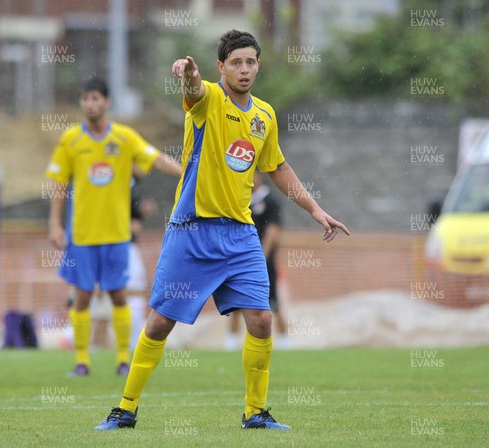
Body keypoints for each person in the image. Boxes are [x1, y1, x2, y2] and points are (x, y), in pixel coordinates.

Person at [95, 30, 349, 431]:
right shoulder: (209, 98)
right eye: (236, 63)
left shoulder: (264, 115)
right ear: (221, 67)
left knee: (262, 319)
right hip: (191, 231)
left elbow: (277, 169)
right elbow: (194, 92)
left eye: (250, 62)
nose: (244, 69)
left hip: (240, 235)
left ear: (258, 65)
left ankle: (255, 413)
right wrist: (188, 75)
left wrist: (316, 210)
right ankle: (125, 409)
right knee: (160, 323)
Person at [46, 78, 181, 377]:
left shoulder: (123, 137)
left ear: (106, 102)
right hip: (81, 234)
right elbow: (58, 185)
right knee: (81, 297)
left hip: (117, 234)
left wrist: (186, 173)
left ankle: (123, 359)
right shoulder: (70, 140)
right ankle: (82, 361)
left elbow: (155, 158)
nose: (90, 104)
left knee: (118, 295)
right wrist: (55, 224)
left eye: (95, 98)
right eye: (85, 99)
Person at [225, 169, 290, 351]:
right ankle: (230, 343)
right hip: (240, 260)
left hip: (262, 261)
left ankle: (285, 342)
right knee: (235, 304)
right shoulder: (241, 201)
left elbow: (273, 231)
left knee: (273, 303)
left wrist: (260, 256)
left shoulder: (270, 201)